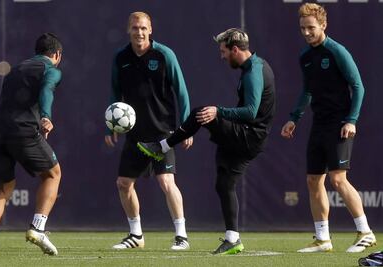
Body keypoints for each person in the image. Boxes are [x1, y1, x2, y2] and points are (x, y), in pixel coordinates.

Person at [138, 28, 276, 255]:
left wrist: (218, 111)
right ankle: (233, 239)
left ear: (235, 49)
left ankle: (161, 146)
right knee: (224, 184)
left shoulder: (254, 71)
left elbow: (251, 111)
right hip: (249, 136)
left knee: (202, 113)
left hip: (249, 136)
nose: (221, 56)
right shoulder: (254, 66)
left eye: (223, 52)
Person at [280, 3, 376, 253]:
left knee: (337, 179)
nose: (307, 32)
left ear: (323, 25)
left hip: (340, 123)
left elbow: (358, 86)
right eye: (303, 28)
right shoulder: (305, 57)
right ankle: (323, 239)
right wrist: (294, 118)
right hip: (319, 123)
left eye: (311, 28)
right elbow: (307, 91)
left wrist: (351, 120)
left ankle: (365, 232)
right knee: (313, 180)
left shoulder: (337, 51)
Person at [105, 11, 192, 250]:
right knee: (123, 183)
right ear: (128, 30)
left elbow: (181, 91)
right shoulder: (121, 58)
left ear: (150, 30)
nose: (139, 32)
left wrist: (186, 127)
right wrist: (110, 125)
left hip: (163, 133)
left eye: (143, 28)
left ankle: (181, 236)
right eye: (135, 28)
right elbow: (115, 93)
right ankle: (136, 235)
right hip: (135, 135)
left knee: (166, 181)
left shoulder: (165, 55)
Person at [0, 33, 63, 257]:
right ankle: (38, 228)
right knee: (53, 174)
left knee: (4, 188)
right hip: (21, 130)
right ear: (56, 55)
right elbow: (47, 91)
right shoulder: (51, 69)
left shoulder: (17, 68)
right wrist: (45, 116)